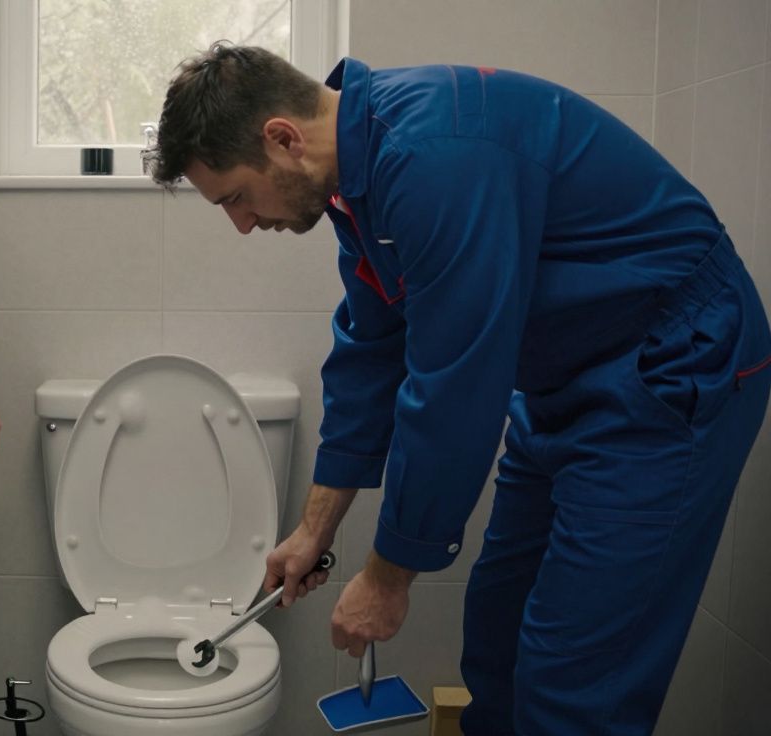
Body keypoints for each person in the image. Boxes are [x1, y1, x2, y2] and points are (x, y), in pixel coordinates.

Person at [148, 43, 771, 734]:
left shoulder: (429, 158)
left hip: (668, 366)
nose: (240, 224)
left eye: (235, 196)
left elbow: (454, 388)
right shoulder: (357, 183)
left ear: (283, 138)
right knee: (497, 634)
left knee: (574, 678)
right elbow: (370, 354)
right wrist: (312, 529)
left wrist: (387, 579)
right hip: (567, 378)